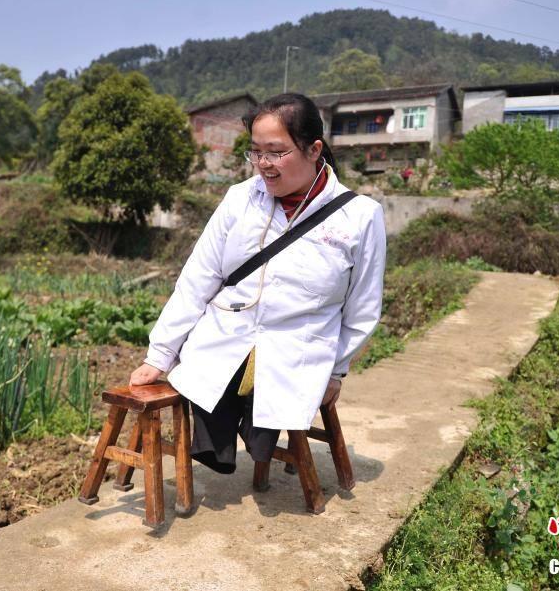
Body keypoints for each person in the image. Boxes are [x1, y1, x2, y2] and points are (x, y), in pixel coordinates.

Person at [128, 92, 386, 475]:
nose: (264, 164)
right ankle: (220, 446)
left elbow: (362, 308)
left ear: (314, 149)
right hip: (225, 334)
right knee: (208, 380)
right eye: (256, 152)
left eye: (276, 152)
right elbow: (198, 278)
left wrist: (336, 371)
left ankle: (258, 443)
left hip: (298, 348)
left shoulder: (360, 217)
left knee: (268, 401)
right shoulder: (239, 199)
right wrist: (159, 355)